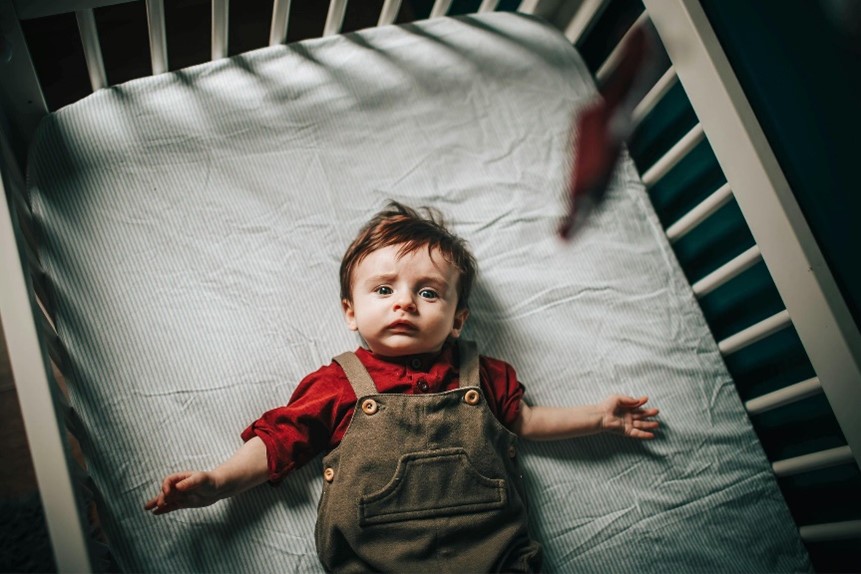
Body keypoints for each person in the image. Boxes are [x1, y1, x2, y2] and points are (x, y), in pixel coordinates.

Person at [145, 201, 660, 572]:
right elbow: (280, 442)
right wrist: (217, 482)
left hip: (493, 552)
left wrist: (598, 417)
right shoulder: (338, 385)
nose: (405, 302)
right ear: (351, 311)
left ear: (458, 320)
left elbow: (525, 421)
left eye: (428, 292)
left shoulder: (482, 373)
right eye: (384, 289)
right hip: (374, 557)